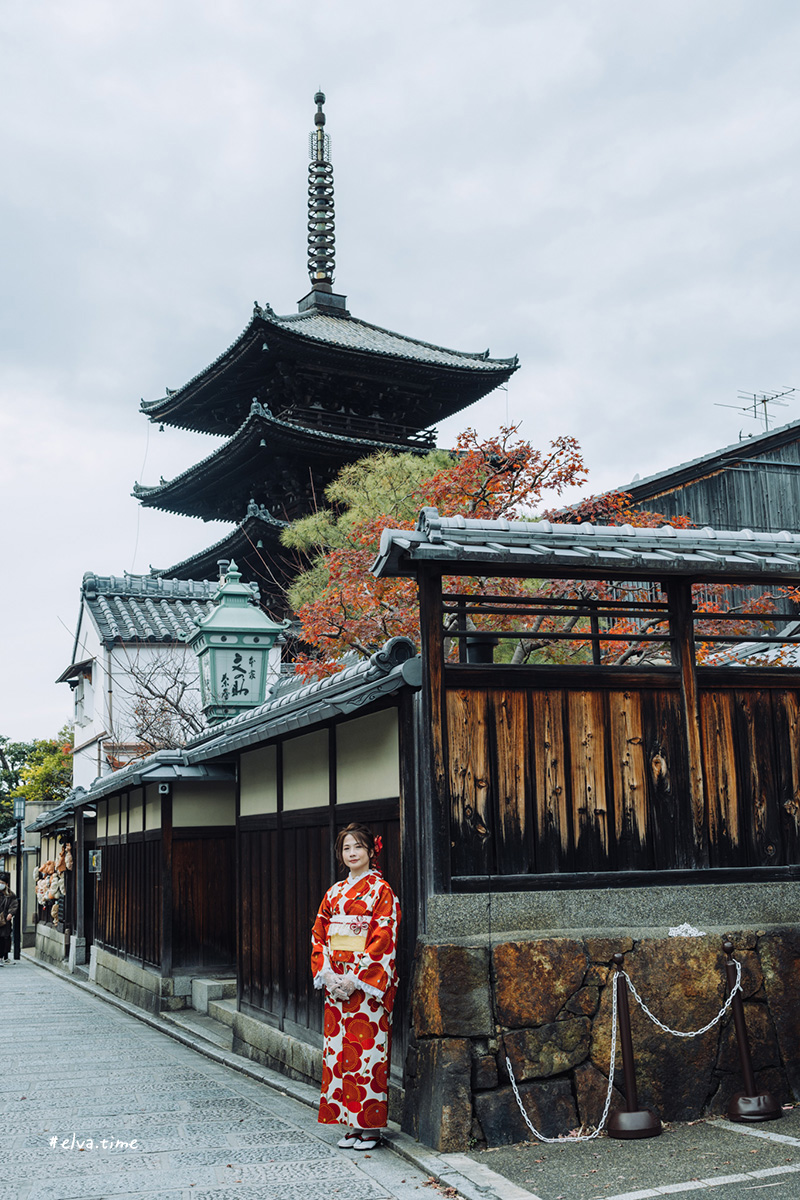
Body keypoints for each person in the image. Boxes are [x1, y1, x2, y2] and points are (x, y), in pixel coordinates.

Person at [311, 822, 400, 1151]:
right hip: (337, 987)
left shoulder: (381, 891)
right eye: (346, 848)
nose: (352, 853)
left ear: (371, 851)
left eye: (358, 847)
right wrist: (331, 976)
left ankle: (372, 1128)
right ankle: (350, 1124)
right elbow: (319, 935)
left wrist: (356, 978)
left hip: (366, 988)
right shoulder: (333, 893)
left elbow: (383, 938)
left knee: (367, 1055)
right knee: (339, 1055)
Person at [0, 872, 19, 963]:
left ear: (7, 884)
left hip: (5, 919)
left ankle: (5, 956)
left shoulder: (10, 894)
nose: (1, 885)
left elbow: (14, 904)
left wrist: (11, 913)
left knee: (6, 937)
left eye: (3, 883)